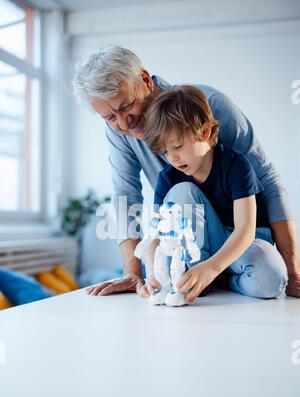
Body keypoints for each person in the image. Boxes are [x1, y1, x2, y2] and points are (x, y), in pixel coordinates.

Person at [72, 45, 300, 298]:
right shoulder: (119, 132)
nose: (124, 123)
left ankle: (225, 276)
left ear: (145, 80)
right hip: (188, 241)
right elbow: (126, 195)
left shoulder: (210, 107)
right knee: (180, 199)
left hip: (239, 238)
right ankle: (203, 277)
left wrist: (293, 273)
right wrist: (133, 271)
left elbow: (268, 183)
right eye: (110, 117)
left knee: (269, 277)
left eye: (126, 106)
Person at [141, 85, 288, 302]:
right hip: (198, 251)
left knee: (271, 280)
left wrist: (212, 268)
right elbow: (154, 234)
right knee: (180, 192)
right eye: (165, 151)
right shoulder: (168, 177)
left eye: (178, 146)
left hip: (242, 244)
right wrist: (152, 273)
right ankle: (199, 273)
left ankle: (222, 280)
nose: (172, 157)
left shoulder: (236, 165)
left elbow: (245, 230)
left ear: (205, 132)